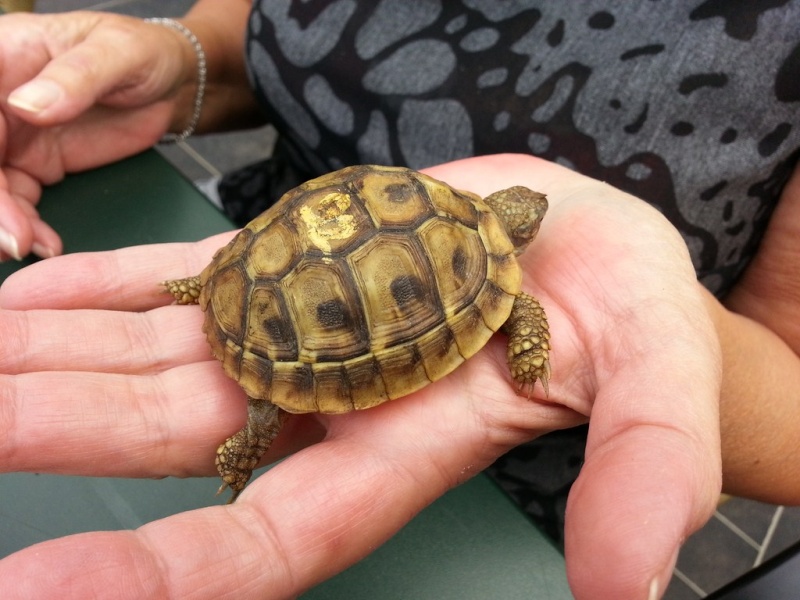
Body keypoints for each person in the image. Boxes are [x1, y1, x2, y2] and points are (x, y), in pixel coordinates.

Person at [0, 2, 797, 599]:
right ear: (513, 235)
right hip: (278, 258)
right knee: (269, 405)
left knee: (273, 403)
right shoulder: (494, 268)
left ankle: (231, 376)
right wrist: (184, 52)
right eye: (528, 221)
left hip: (513, 489)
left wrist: (683, 339)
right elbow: (251, 31)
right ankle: (247, 438)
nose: (535, 219)